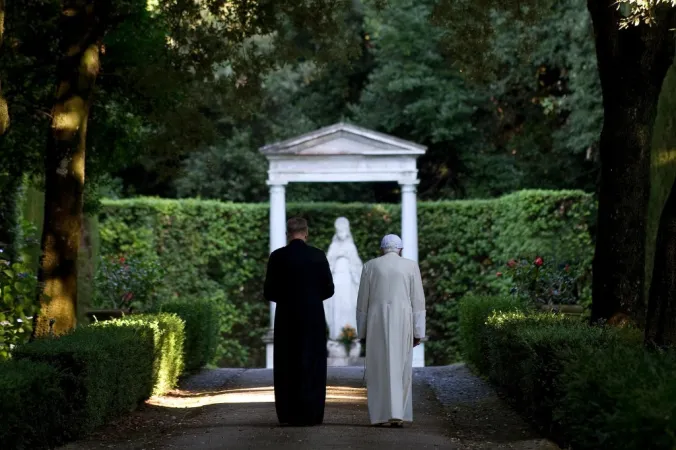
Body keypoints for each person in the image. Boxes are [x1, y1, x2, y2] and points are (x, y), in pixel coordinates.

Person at [264, 217, 335, 426]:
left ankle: (288, 413)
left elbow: (269, 291)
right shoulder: (318, 256)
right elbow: (329, 289)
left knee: (286, 362)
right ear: (306, 232)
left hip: (286, 316)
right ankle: (311, 413)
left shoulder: (277, 257)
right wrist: (312, 298)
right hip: (312, 316)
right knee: (312, 362)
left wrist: (287, 298)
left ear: (288, 233)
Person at [356, 234, 426, 427]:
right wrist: (418, 331)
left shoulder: (370, 266)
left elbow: (362, 303)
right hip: (403, 320)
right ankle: (398, 413)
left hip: (376, 321)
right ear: (400, 249)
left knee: (378, 367)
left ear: (382, 249)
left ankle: (379, 415)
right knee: (401, 367)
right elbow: (418, 302)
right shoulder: (411, 266)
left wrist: (361, 332)